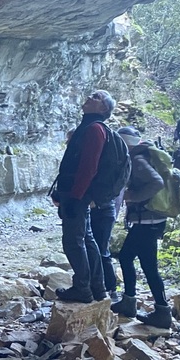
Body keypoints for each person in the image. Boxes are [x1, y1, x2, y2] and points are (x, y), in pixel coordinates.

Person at [50, 90, 119, 303]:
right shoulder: (90, 127)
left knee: (73, 241)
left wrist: (75, 196)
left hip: (76, 195)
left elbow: (88, 167)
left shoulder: (95, 130)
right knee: (87, 239)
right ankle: (97, 288)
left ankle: (83, 288)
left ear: (103, 109)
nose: (89, 97)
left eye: (96, 97)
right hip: (76, 193)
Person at [111, 127, 171, 328]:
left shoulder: (137, 160)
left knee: (131, 259)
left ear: (125, 144)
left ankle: (135, 304)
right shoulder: (140, 156)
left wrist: (133, 197)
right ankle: (156, 309)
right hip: (149, 220)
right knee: (146, 265)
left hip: (148, 221)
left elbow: (157, 182)